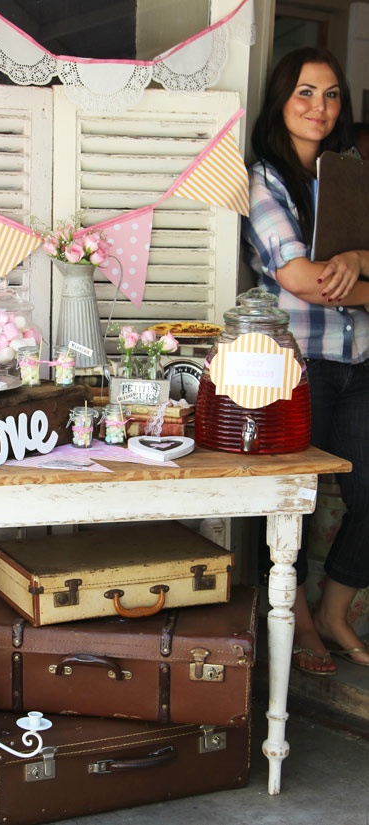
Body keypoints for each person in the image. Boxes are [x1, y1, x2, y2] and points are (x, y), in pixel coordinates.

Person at [242, 47, 369, 675]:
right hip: (303, 367)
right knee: (293, 501)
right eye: (306, 93)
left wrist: (356, 262)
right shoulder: (264, 179)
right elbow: (301, 279)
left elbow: (340, 270)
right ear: (281, 100)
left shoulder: (353, 176)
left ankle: (333, 609)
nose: (321, 107)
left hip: (361, 363)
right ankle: (291, 624)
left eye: (333, 94)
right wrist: (343, 271)